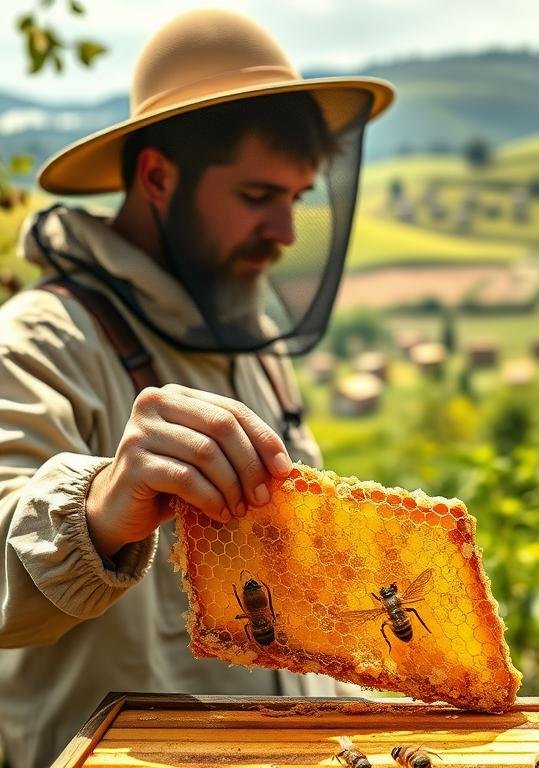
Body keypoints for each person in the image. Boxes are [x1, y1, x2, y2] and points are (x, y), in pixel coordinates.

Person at [0, 9, 394, 767]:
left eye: (297, 197)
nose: (284, 230)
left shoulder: (253, 347)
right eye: (256, 196)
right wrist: (102, 505)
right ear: (157, 177)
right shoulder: (35, 343)